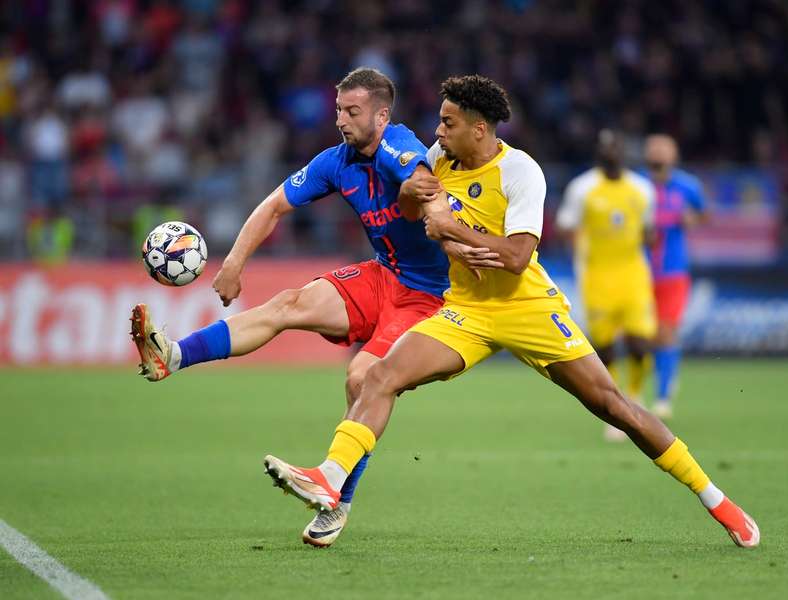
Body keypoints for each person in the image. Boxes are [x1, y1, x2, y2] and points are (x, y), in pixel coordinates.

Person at [263, 75, 760, 549]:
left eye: (448, 122)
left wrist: (456, 234)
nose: (437, 132)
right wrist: (411, 200)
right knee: (380, 375)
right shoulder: (437, 159)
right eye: (439, 121)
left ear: (479, 128)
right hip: (466, 312)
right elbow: (417, 215)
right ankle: (330, 478)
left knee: (614, 406)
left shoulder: (520, 171)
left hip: (527, 308)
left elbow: (518, 255)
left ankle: (715, 499)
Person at [129, 67, 500, 548]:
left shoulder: (398, 144)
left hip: (432, 297)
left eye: (353, 111)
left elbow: (426, 188)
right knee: (288, 303)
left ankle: (336, 499)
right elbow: (272, 206)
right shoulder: (335, 161)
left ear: (381, 115)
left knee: (360, 378)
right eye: (339, 110)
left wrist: (446, 229)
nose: (342, 120)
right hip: (383, 275)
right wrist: (233, 264)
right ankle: (172, 356)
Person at [556, 129, 657, 441]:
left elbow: (649, 231)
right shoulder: (582, 188)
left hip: (633, 275)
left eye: (616, 147)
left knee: (640, 342)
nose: (611, 153)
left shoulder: (642, 189)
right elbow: (567, 226)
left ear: (624, 152)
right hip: (597, 277)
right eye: (606, 149)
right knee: (607, 348)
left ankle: (636, 395)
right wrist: (581, 257)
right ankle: (616, 408)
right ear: (599, 154)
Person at [642, 135, 708, 418]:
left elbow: (704, 214)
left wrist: (691, 219)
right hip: (640, 270)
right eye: (654, 149)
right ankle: (643, 389)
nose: (658, 154)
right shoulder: (637, 185)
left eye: (663, 149)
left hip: (672, 270)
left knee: (666, 331)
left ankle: (664, 394)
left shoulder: (688, 185)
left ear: (674, 154)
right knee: (644, 334)